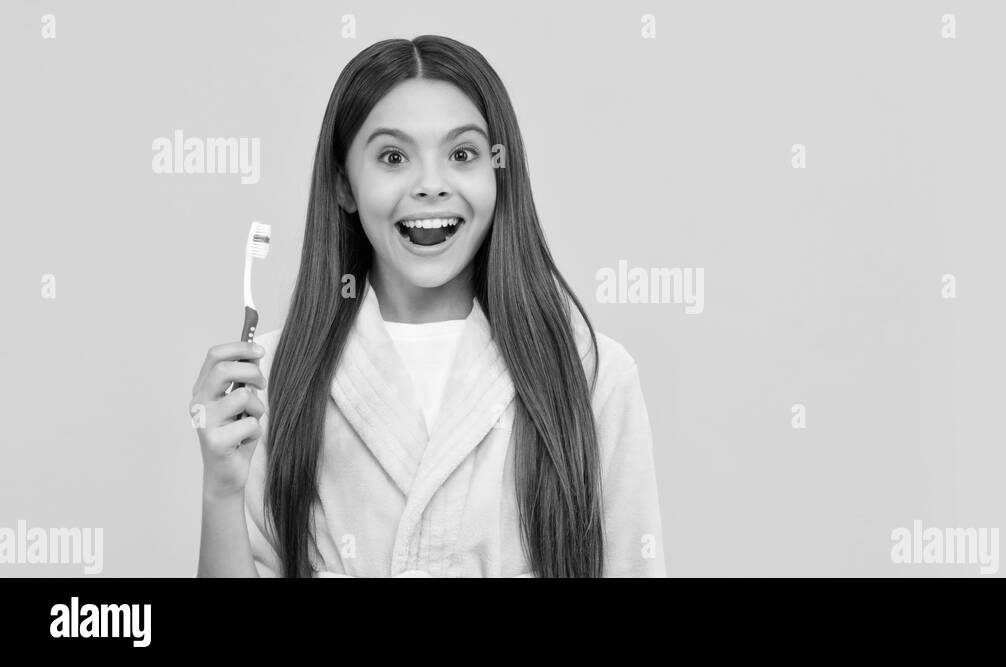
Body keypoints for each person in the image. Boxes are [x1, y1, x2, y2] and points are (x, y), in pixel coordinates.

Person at [191, 35, 665, 578]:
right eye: (393, 157)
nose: (431, 186)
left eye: (462, 155)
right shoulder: (272, 379)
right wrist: (220, 492)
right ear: (344, 184)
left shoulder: (593, 376)